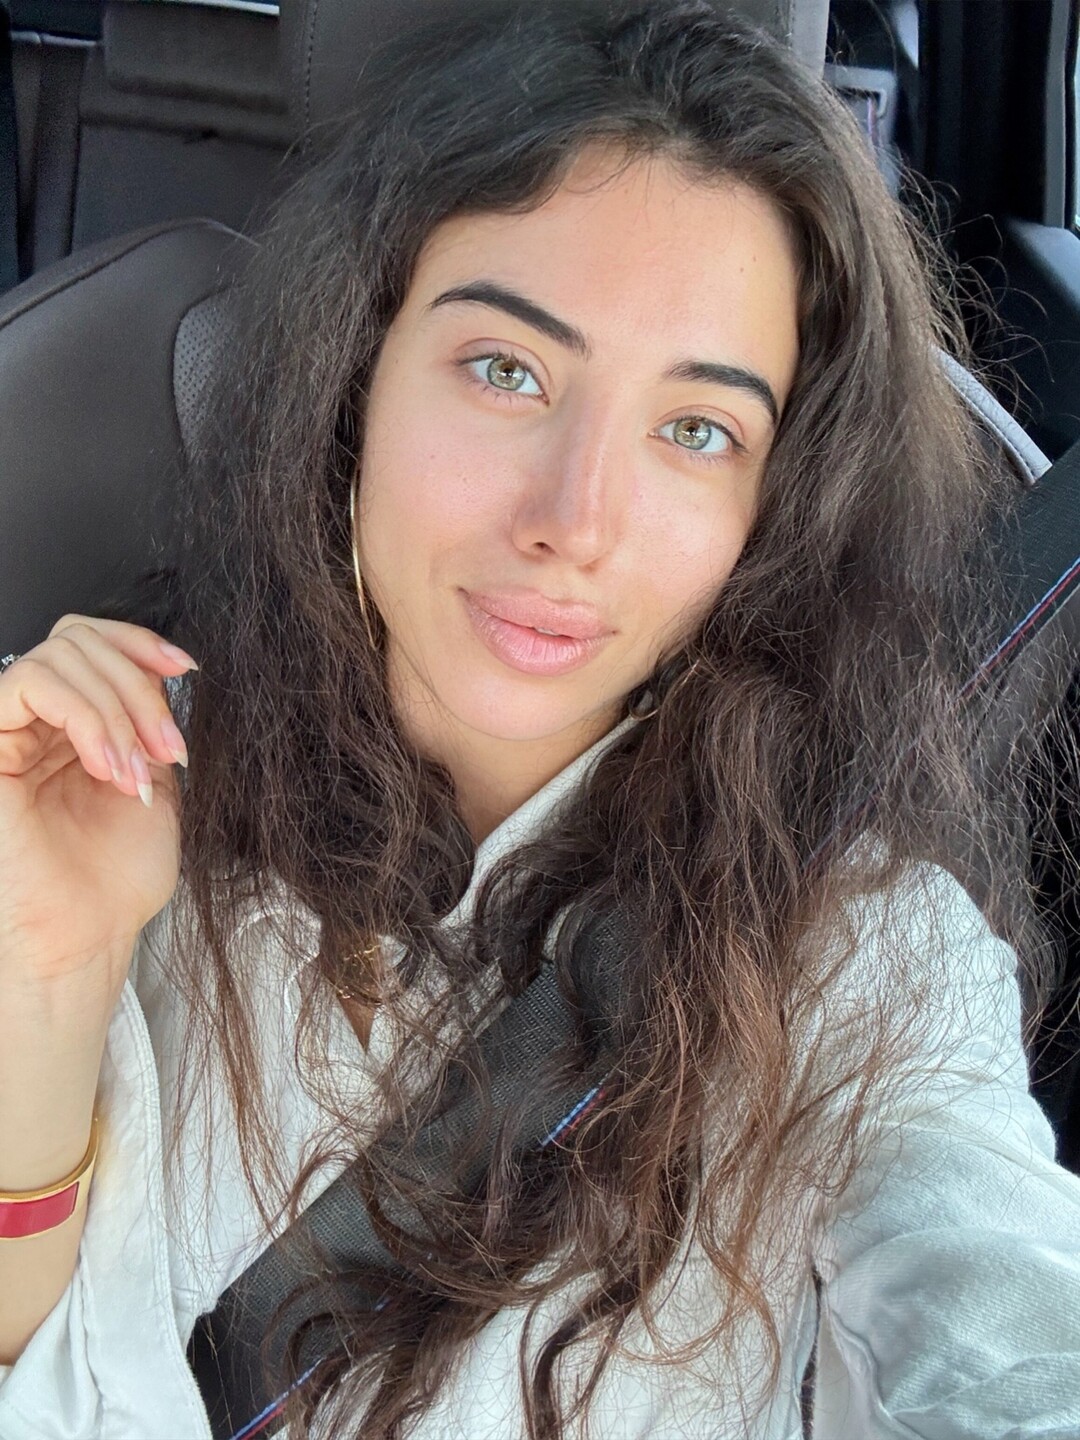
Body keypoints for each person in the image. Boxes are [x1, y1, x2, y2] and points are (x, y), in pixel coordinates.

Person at [1, 1, 1079, 1436]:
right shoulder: (105, 794)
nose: (576, 521)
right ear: (357, 375)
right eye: (506, 369)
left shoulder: (862, 956)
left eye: (696, 430)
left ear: (771, 511)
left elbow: (1004, 1335)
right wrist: (44, 979)